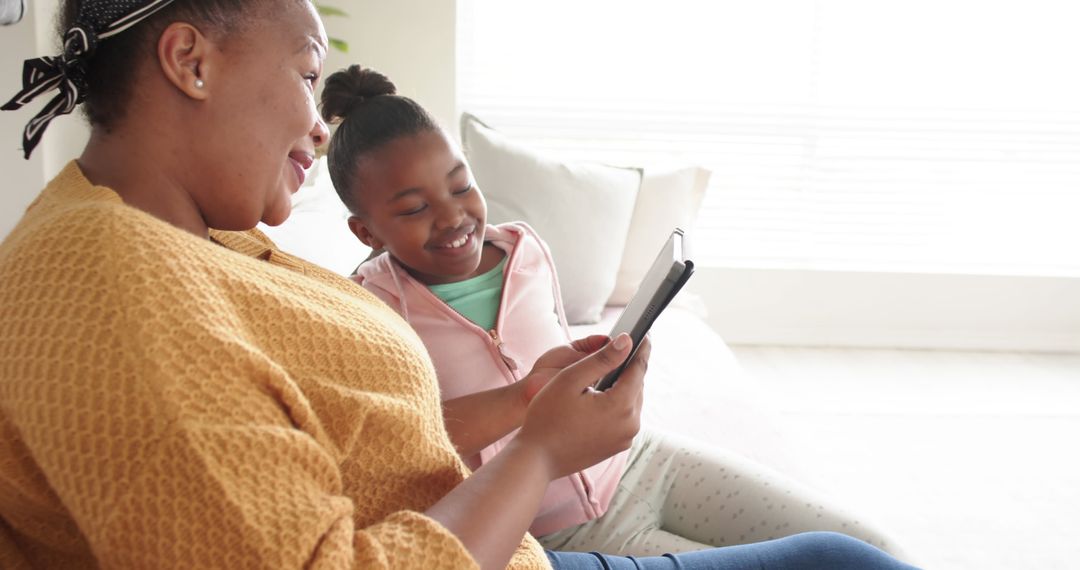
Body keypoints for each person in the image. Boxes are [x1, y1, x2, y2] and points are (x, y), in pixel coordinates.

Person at [0, 0, 918, 568]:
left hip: (502, 527)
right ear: (191, 61)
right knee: (852, 564)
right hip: (510, 536)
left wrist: (530, 406)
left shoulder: (185, 240)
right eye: (306, 73)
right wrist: (536, 454)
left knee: (855, 551)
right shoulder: (116, 289)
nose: (320, 130)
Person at [326, 65, 911, 560]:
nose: (453, 217)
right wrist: (526, 397)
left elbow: (551, 344)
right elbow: (403, 446)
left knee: (867, 547)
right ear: (365, 231)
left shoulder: (524, 248)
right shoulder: (368, 310)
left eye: (460, 186)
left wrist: (602, 363)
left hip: (637, 460)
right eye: (413, 208)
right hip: (552, 530)